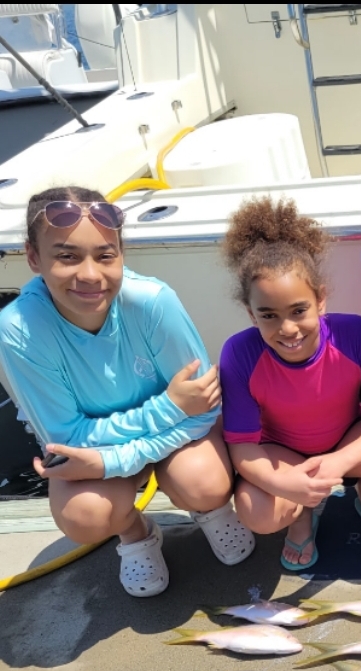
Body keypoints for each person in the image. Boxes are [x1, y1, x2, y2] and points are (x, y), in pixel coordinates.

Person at [0, 186, 254, 597]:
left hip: (120, 448)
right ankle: (134, 531)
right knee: (83, 515)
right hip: (135, 437)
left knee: (204, 484)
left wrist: (106, 462)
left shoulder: (153, 302)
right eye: (66, 256)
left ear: (121, 254)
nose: (89, 275)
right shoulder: (18, 330)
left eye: (105, 255)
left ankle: (211, 509)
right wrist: (170, 406)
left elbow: (205, 410)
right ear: (33, 257)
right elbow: (65, 441)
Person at [219, 197, 361, 571]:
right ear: (251, 314)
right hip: (281, 452)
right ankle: (303, 512)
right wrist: (287, 487)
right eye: (268, 315)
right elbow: (243, 447)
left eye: (298, 310)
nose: (287, 329)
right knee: (257, 512)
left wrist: (341, 462)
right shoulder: (238, 353)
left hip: (347, 437)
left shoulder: (354, 333)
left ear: (320, 300)